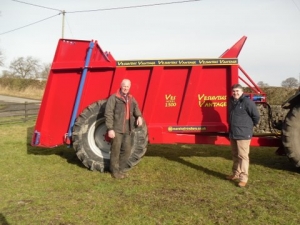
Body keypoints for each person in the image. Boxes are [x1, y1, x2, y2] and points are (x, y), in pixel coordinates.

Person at [105, 79, 143, 179]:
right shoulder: (114, 98)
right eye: (124, 86)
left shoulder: (131, 98)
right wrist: (110, 128)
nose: (126, 88)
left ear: (129, 87)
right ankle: (114, 171)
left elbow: (136, 108)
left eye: (127, 87)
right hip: (116, 128)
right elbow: (108, 113)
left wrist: (139, 116)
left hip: (127, 127)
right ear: (121, 86)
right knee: (115, 151)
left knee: (127, 150)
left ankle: (120, 169)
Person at [226, 84, 260, 187]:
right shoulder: (231, 101)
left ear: (242, 92)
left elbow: (256, 116)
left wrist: (248, 127)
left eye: (237, 91)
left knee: (243, 156)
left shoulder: (247, 102)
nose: (235, 93)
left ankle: (243, 178)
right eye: (234, 91)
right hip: (233, 133)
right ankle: (235, 174)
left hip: (243, 134)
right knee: (235, 155)